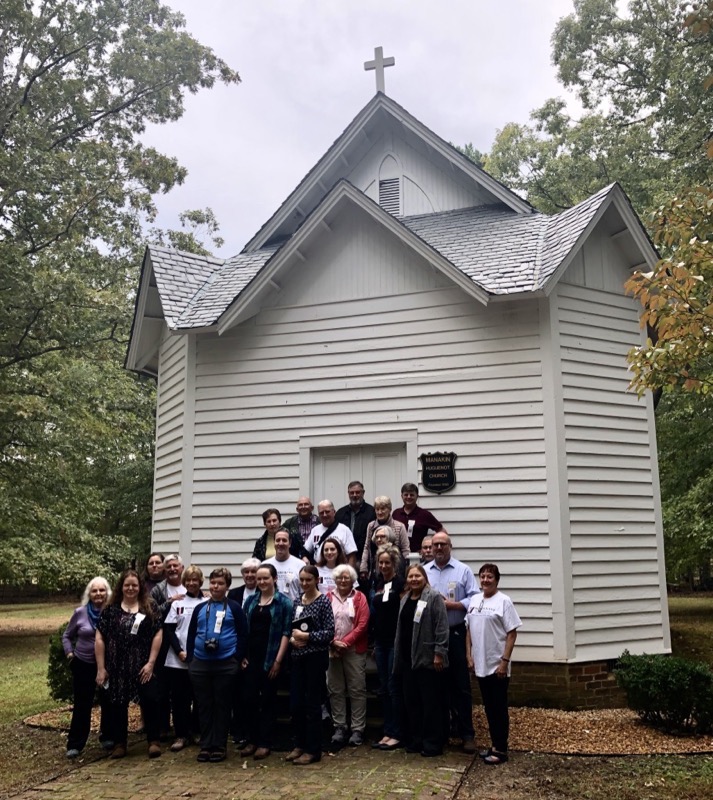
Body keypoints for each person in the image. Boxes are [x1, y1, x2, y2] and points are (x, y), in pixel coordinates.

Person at [95, 569, 163, 759]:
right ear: (121, 587)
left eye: (134, 585)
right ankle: (120, 744)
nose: (131, 588)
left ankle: (153, 741)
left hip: (143, 666)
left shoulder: (149, 606)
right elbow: (99, 638)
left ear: (140, 587)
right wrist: (101, 668)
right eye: (127, 585)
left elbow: (158, 633)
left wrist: (151, 663)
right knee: (117, 705)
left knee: (150, 701)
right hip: (117, 667)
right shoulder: (111, 609)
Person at [186, 567, 249, 763]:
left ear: (227, 586)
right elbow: (191, 633)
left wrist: (237, 658)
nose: (216, 586)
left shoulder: (234, 608)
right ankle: (206, 745)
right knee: (204, 705)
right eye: (213, 583)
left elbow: (243, 634)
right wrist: (191, 659)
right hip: (200, 664)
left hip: (226, 664)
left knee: (222, 705)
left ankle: (219, 745)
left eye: (220, 583)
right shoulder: (200, 608)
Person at [425, 530, 478, 753]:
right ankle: (442, 734)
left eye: (442, 544)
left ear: (450, 546)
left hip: (455, 633)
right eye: (435, 545)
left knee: (461, 686)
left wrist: (453, 605)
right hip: (432, 638)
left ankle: (467, 734)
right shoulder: (424, 571)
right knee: (437, 687)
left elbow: (475, 598)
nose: (438, 548)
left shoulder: (463, 570)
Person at [466, 563, 522, 766]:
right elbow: (468, 629)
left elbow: (512, 633)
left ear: (497, 580)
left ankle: (501, 749)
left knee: (498, 707)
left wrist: (504, 661)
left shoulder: (504, 601)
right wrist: (469, 655)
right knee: (489, 707)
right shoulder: (474, 600)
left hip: (496, 664)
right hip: (480, 663)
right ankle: (494, 744)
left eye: (490, 576)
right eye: (482, 576)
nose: (485, 580)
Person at [393, 564, 449, 757]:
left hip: (428, 659)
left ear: (424, 577)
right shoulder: (405, 599)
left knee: (430, 703)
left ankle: (432, 743)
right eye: (410, 576)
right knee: (412, 703)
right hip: (408, 660)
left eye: (417, 576)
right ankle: (416, 740)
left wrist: (439, 653)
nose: (414, 579)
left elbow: (442, 627)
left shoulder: (433, 597)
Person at [239, 564, 292, 761]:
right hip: (251, 658)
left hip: (271, 658)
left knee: (268, 701)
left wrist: (278, 661)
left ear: (274, 579)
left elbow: (286, 632)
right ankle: (252, 740)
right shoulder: (251, 601)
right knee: (249, 699)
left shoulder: (284, 603)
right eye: (259, 579)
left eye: (265, 578)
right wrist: (242, 655)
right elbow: (243, 630)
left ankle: (264, 742)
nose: (261, 582)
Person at [287, 565, 335, 765]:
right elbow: (291, 627)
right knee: (296, 704)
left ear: (317, 580)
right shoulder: (298, 601)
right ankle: (299, 744)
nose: (305, 583)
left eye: (308, 579)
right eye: (302, 580)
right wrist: (293, 639)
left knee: (313, 704)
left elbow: (329, 632)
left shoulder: (323, 602)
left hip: (315, 658)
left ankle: (313, 750)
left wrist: (306, 637)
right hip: (297, 657)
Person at [62, 576, 113, 758]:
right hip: (83, 664)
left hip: (107, 664)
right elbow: (66, 636)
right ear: (89, 594)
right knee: (82, 704)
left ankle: (108, 737)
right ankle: (75, 743)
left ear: (107, 593)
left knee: (108, 701)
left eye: (102, 590)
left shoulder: (113, 612)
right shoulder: (80, 613)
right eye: (94, 590)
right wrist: (70, 654)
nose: (98, 593)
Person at [163, 565, 205, 752]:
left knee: (199, 697)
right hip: (177, 659)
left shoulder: (206, 602)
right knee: (179, 699)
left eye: (195, 580)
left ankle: (196, 731)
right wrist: (179, 651)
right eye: (188, 580)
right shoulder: (177, 603)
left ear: (200, 581)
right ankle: (181, 734)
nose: (191, 583)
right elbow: (169, 630)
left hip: (199, 658)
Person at [327, 565, 370, 748]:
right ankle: (340, 727)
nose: (343, 580)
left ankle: (358, 729)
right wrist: (333, 642)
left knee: (357, 689)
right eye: (340, 577)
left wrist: (345, 642)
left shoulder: (360, 597)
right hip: (332, 649)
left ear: (353, 580)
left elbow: (363, 624)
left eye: (347, 578)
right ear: (335, 580)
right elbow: (323, 622)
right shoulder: (328, 597)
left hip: (353, 650)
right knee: (335, 689)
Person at [370, 544, 405, 750]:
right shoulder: (379, 583)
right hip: (380, 642)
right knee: (384, 688)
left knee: (393, 688)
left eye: (387, 563)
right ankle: (388, 730)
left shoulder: (400, 584)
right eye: (380, 563)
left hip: (394, 642)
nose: (383, 566)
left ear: (394, 563)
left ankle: (397, 733)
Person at [360, 496, 409, 583]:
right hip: (375, 570)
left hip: (395, 570)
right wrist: (363, 568)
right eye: (377, 509)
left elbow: (405, 550)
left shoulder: (400, 526)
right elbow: (367, 547)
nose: (380, 512)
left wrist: (406, 570)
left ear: (389, 509)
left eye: (383, 509)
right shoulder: (371, 526)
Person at [303, 500, 358, 566]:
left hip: (339, 569)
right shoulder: (315, 530)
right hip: (319, 569)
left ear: (334, 512)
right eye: (321, 513)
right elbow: (306, 550)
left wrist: (349, 571)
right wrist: (304, 558)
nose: (324, 515)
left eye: (327, 512)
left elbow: (351, 555)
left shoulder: (344, 530)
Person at [392, 483, 441, 551]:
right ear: (402, 496)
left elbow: (441, 530)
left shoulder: (424, 514)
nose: (408, 497)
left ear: (417, 496)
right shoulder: (396, 513)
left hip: (419, 555)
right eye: (406, 495)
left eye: (412, 495)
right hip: (399, 554)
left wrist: (432, 546)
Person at [335, 481, 376, 558]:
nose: (354, 495)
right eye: (352, 493)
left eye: (357, 492)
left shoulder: (372, 512)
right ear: (348, 493)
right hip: (343, 557)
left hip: (364, 557)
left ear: (363, 493)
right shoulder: (340, 513)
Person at [360, 524, 405, 594]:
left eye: (382, 536)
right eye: (377, 537)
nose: (379, 539)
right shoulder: (375, 554)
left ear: (390, 537)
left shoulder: (396, 554)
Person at [263, 529, 303, 602]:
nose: (281, 543)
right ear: (274, 542)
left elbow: (304, 593)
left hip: (293, 607)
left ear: (290, 543)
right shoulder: (265, 565)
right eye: (278, 540)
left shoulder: (300, 565)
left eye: (284, 540)